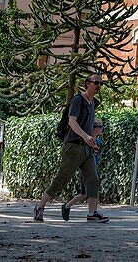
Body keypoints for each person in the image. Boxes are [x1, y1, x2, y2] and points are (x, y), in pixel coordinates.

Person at [33, 74, 107, 223]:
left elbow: (86, 124)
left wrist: (91, 139)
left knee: (93, 179)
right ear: (87, 83)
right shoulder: (78, 100)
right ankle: (40, 207)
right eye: (96, 83)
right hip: (73, 146)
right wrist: (86, 136)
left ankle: (92, 213)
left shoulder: (93, 103)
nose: (98, 85)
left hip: (86, 148)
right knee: (62, 178)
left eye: (100, 83)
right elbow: (72, 122)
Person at [65, 119, 104, 213]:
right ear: (94, 129)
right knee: (87, 192)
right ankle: (68, 206)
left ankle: (67, 206)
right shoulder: (85, 142)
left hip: (94, 167)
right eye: (100, 127)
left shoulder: (98, 142)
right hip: (86, 169)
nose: (102, 129)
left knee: (87, 192)